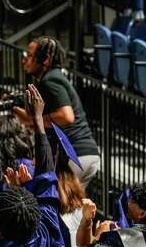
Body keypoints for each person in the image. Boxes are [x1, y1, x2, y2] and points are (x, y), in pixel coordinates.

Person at [19, 37, 100, 180]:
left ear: (45, 60)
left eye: (30, 55)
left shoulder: (50, 80)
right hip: (87, 154)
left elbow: (66, 116)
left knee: (54, 200)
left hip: (74, 155)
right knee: (74, 203)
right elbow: (32, 120)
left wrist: (38, 120)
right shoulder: (53, 77)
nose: (24, 59)